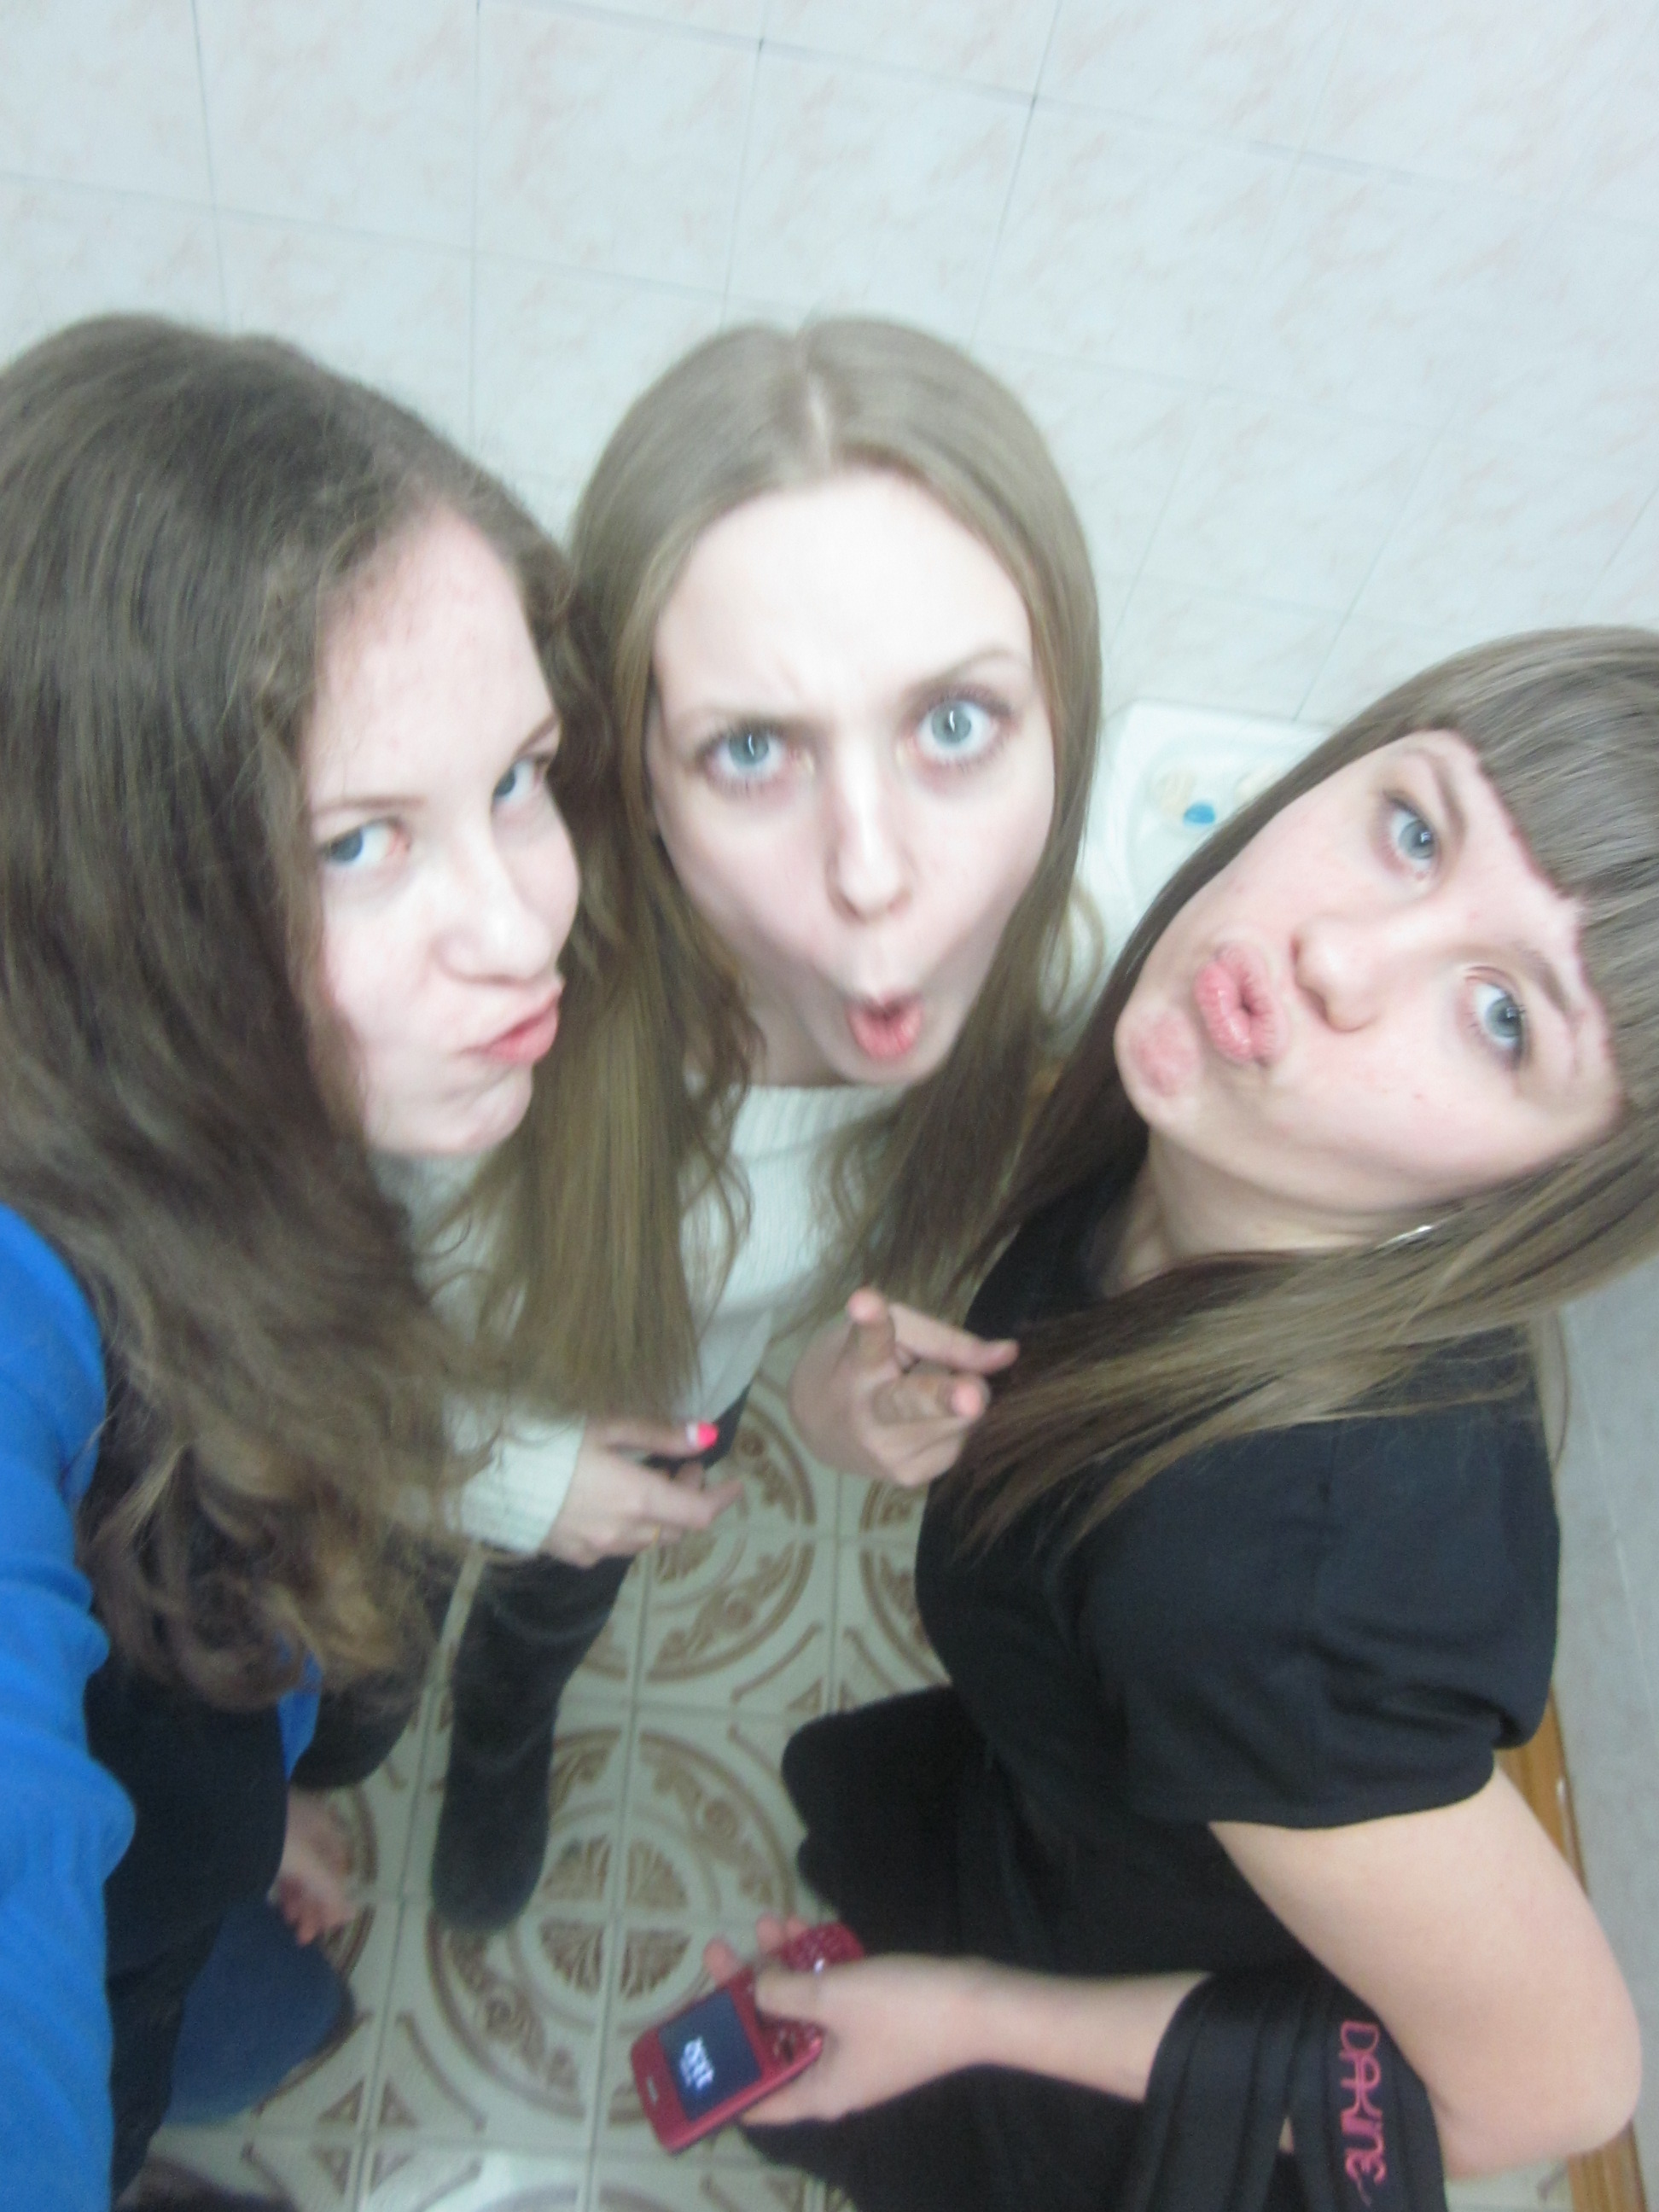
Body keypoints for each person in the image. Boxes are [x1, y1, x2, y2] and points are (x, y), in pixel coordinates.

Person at [705, 630, 1657, 2209]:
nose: (1340, 955)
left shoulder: (1273, 1595)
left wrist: (970, 2016)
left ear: (1537, 1191)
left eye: (1503, 1019)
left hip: (1121, 2046)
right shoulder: (1209, 1113)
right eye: (1414, 829)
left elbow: (1553, 2089)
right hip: (1055, 1826)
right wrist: (858, 1414)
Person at [0, 313, 599, 2206]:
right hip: (120, 1993)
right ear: (109, 889)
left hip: (203, 1861)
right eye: (357, 842)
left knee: (263, 2011)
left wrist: (260, 1792)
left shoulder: (229, 1096)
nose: (522, 926)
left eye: (521, 775)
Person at [427, 319, 1104, 1930]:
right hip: (424, 1412)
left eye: (956, 724)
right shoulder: (484, 1007)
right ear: (637, 781)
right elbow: (286, 1338)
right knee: (363, 1656)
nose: (875, 875)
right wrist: (509, 1478)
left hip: (674, 1406)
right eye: (751, 750)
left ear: (1060, 718)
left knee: (541, 1632)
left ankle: (499, 1740)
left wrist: (827, 1389)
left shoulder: (1050, 965)